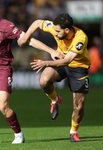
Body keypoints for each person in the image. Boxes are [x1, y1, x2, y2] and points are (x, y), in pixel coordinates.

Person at [0, 2, 63, 144]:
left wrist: (51, 51)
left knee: (2, 106)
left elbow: (28, 40)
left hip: (2, 70)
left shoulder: (6, 27)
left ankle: (18, 135)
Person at [18, 13, 91, 142]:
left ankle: (73, 132)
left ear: (67, 30)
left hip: (78, 67)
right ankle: (55, 100)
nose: (55, 33)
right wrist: (25, 37)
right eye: (55, 30)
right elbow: (37, 23)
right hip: (61, 59)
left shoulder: (81, 38)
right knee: (44, 80)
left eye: (58, 31)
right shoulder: (55, 27)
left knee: (78, 106)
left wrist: (45, 62)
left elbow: (67, 61)